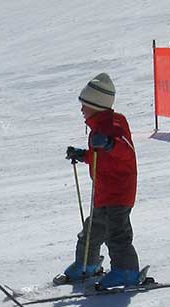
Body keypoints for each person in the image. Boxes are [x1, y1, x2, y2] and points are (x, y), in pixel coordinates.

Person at [60, 72, 141, 288]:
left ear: (96, 104)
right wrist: (83, 154)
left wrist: (109, 144)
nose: (81, 109)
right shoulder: (98, 127)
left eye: (84, 105)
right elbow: (100, 156)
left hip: (119, 192)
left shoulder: (115, 122)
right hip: (103, 193)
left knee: (117, 234)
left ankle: (126, 271)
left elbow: (125, 150)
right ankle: (87, 263)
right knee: (92, 230)